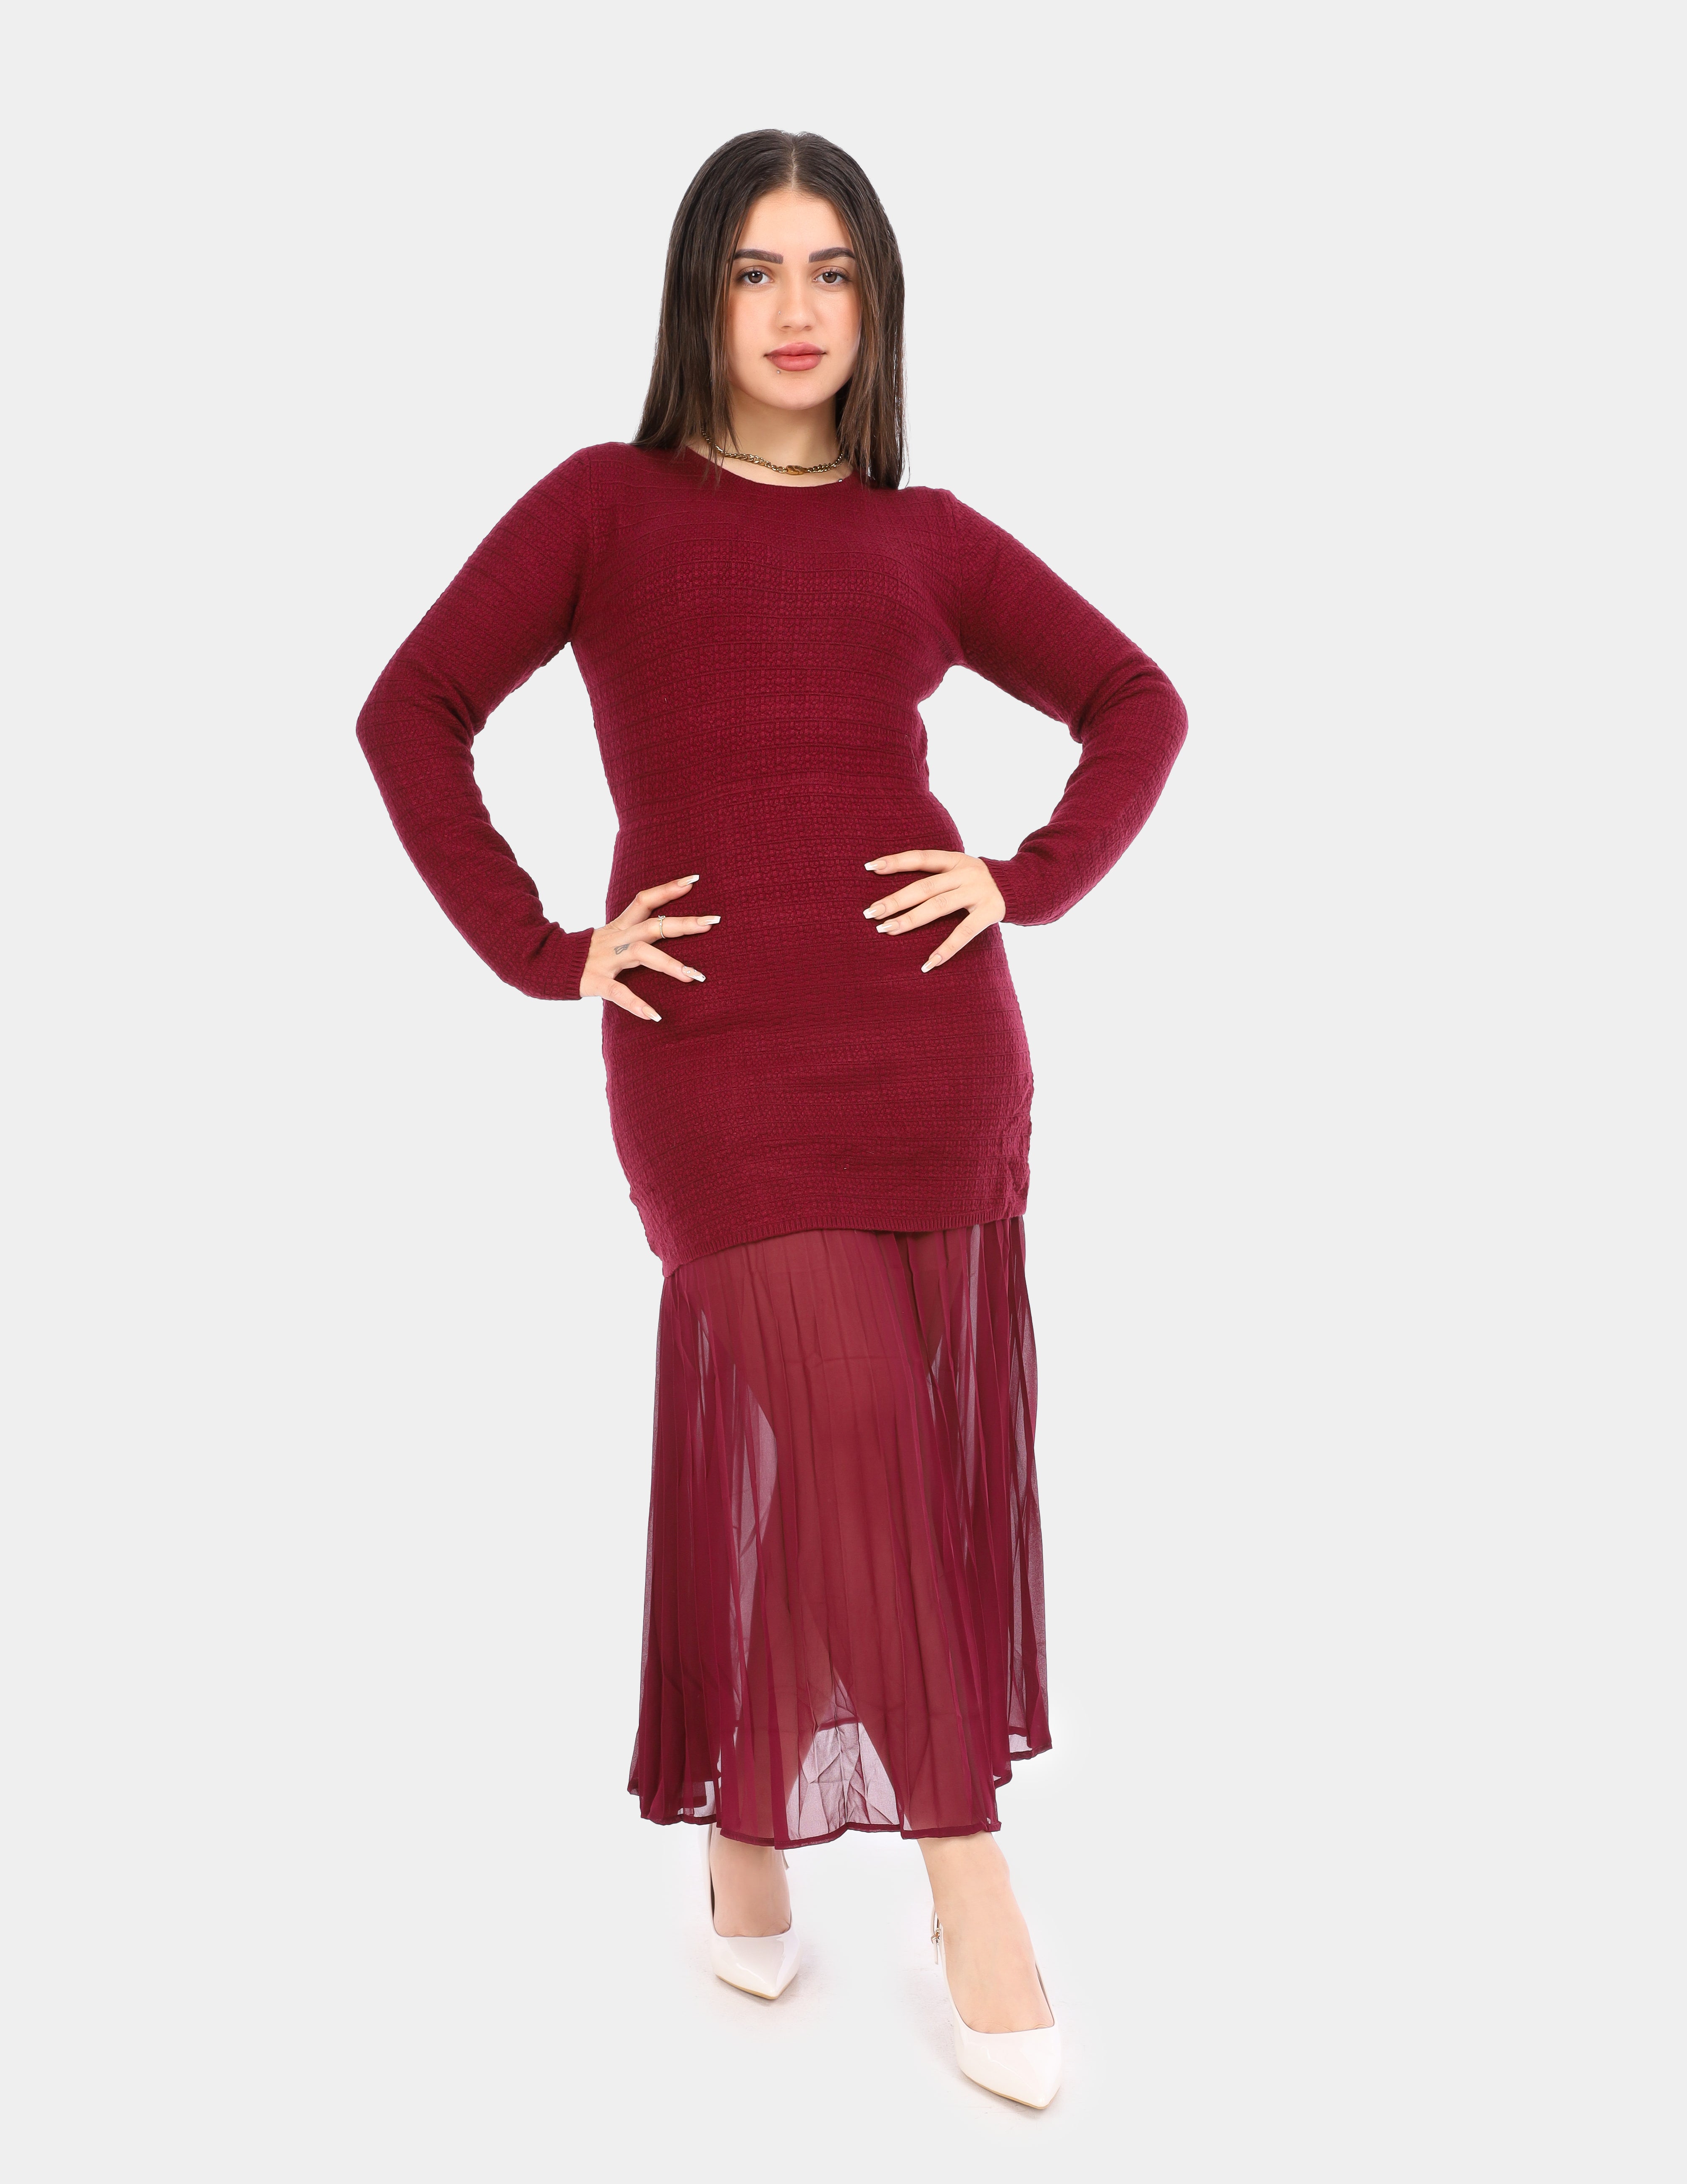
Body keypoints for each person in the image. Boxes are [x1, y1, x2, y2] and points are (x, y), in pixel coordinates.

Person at [356, 128, 1187, 2110]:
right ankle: (971, 1885)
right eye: (754, 270)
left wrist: (1022, 877)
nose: (796, 310)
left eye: (831, 271)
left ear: (875, 304)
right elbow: (410, 709)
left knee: (849, 1457)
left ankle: (748, 1823)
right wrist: (545, 947)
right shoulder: (604, 503)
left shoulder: (924, 535)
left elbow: (1136, 699)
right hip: (712, 1056)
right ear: (698, 299)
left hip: (931, 1049)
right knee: (862, 1439)